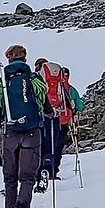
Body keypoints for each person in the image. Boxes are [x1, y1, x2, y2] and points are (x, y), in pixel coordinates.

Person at [0, 44, 48, 208]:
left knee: (10, 177)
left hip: (10, 133)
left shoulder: (3, 80)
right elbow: (45, 106)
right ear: (25, 58)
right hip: (31, 132)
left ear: (9, 59)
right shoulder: (34, 79)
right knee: (27, 178)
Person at [35, 59, 83, 190]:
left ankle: (40, 171)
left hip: (45, 118)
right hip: (63, 119)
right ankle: (53, 171)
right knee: (57, 146)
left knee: (43, 145)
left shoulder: (39, 81)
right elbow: (79, 106)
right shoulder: (69, 88)